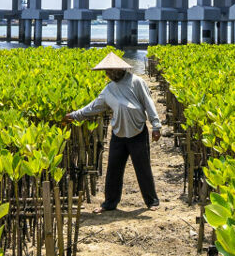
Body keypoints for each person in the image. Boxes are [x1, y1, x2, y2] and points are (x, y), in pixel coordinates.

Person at [66, 51, 163, 212]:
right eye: (107, 71)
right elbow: (93, 107)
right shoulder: (108, 89)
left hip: (138, 132)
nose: (109, 74)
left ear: (120, 69)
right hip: (118, 134)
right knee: (113, 170)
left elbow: (148, 103)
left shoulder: (137, 82)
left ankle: (152, 202)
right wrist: (73, 115)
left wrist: (156, 126)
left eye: (111, 71)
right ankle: (109, 204)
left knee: (143, 168)